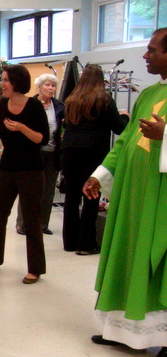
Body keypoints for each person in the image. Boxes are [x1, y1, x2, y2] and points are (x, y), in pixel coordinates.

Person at [83, 28, 167, 357]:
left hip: (162, 199)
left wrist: (166, 134)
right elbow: (126, 140)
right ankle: (120, 330)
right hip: (134, 193)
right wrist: (100, 174)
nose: (145, 56)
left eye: (152, 50)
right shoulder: (149, 94)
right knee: (128, 253)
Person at [0, 65, 49, 285]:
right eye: (2, 79)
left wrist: (21, 128)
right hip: (6, 167)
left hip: (31, 169)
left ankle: (35, 268)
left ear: (17, 82)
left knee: (31, 218)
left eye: (6, 80)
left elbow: (42, 139)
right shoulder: (3, 104)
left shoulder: (34, 105)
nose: (2, 84)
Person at [61, 65, 127, 254]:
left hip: (69, 150)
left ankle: (69, 242)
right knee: (91, 195)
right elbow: (119, 127)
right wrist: (125, 117)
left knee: (71, 196)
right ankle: (86, 244)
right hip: (92, 150)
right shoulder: (103, 99)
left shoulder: (71, 100)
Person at [16, 73, 65, 236]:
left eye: (53, 85)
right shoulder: (30, 104)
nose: (50, 88)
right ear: (40, 87)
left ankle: (42, 224)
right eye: (47, 85)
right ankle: (22, 223)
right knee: (29, 189)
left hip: (52, 152)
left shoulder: (59, 106)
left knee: (48, 189)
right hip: (33, 152)